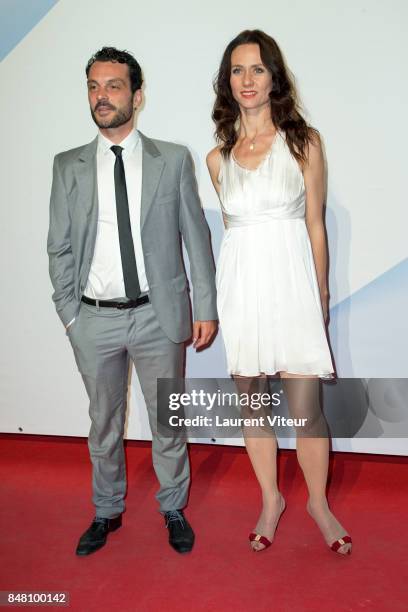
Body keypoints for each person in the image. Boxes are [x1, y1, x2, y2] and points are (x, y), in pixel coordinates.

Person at [47, 47, 217, 556]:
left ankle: (172, 506)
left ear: (136, 96)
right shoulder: (67, 166)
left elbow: (196, 237)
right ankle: (106, 510)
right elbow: (58, 245)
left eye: (113, 86)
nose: (102, 96)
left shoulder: (172, 159)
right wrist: (69, 313)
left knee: (168, 419)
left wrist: (204, 305)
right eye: (94, 87)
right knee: (103, 422)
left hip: (156, 316)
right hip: (93, 319)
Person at [207, 30, 352, 555]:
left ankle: (318, 503)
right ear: (228, 81)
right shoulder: (217, 159)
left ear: (274, 77)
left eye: (257, 69)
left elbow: (315, 225)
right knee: (253, 407)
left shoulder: (303, 142)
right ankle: (271, 499)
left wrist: (322, 295)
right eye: (238, 70)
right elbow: (232, 232)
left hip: (292, 288)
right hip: (242, 287)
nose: (247, 80)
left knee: (306, 408)